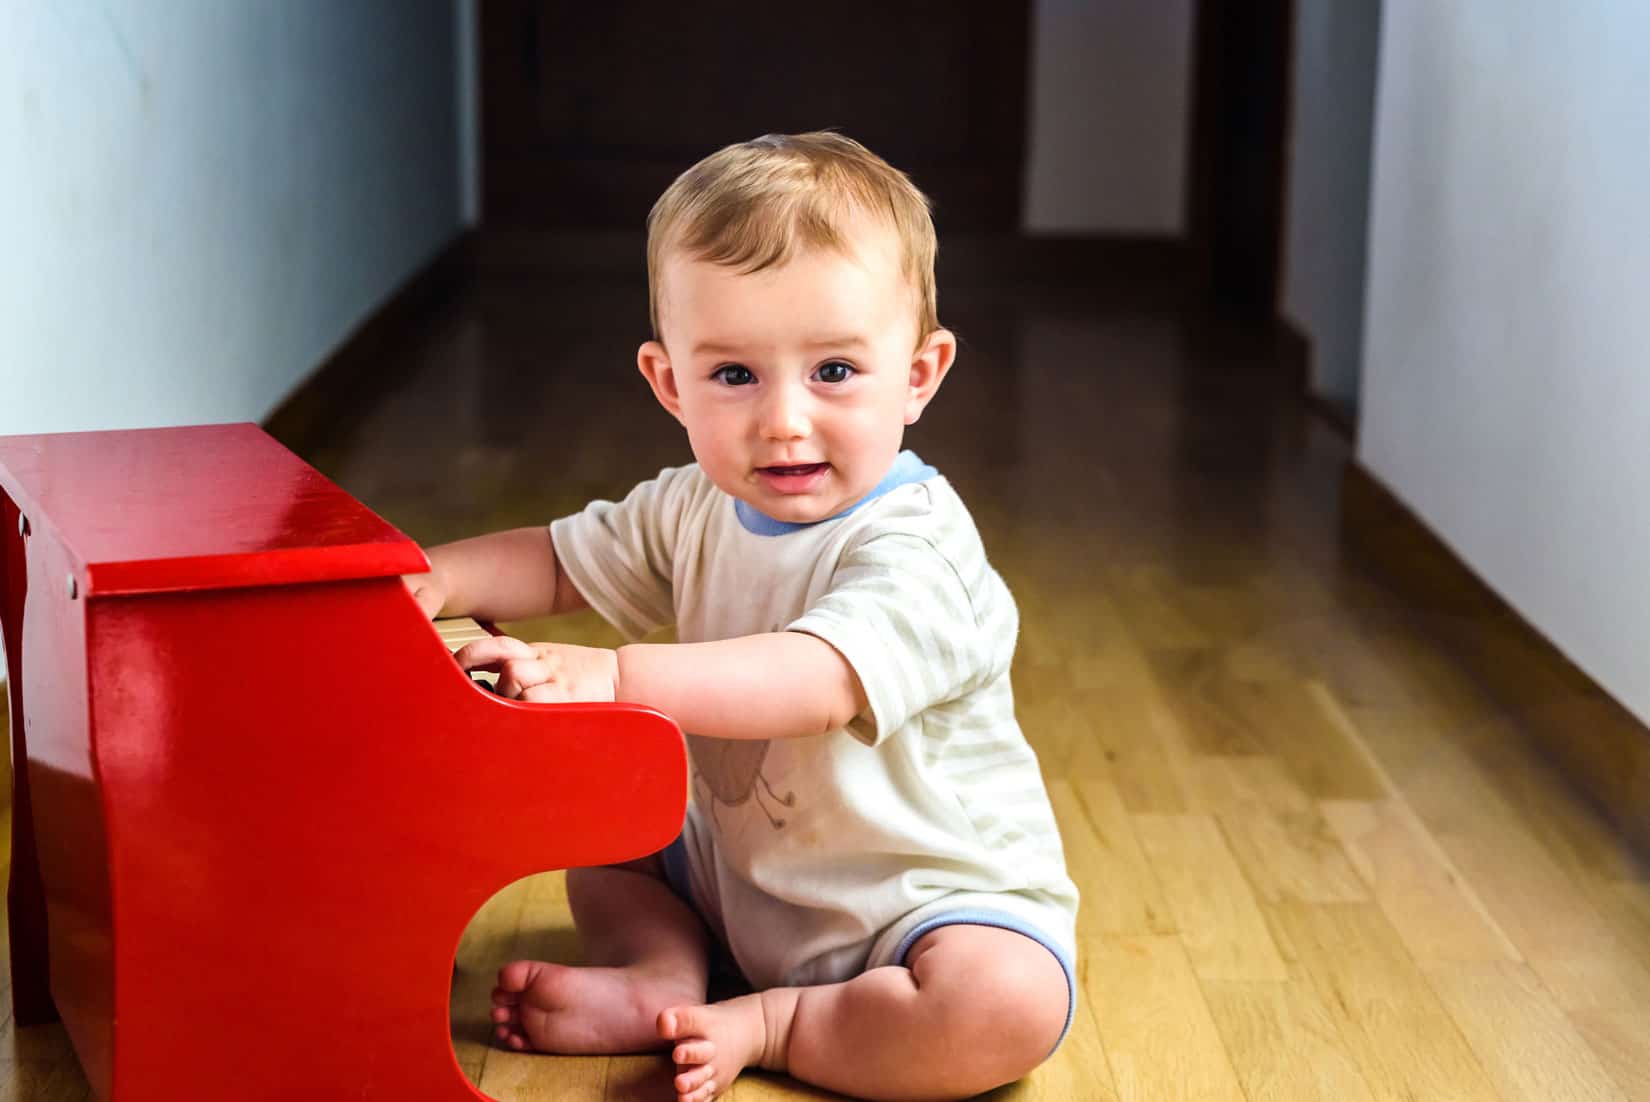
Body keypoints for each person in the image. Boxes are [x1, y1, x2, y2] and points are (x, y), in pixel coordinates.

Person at [405, 131, 1079, 1102]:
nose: (785, 419)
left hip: (915, 906)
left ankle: (781, 1022)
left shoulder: (918, 549)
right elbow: (558, 558)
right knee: (603, 836)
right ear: (670, 383)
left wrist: (614, 678)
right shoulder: (691, 503)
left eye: (836, 371)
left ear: (921, 374)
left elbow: (812, 679)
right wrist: (437, 578)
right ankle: (663, 974)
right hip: (733, 872)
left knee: (1007, 1005)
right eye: (735, 376)